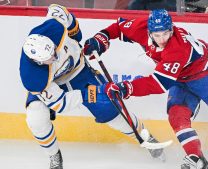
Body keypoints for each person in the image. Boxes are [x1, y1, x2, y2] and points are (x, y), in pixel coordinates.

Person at [83, 9, 208, 169]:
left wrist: (126, 87)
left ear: (171, 30)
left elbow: (158, 83)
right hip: (180, 78)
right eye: (157, 34)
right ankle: (197, 158)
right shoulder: (141, 27)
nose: (162, 38)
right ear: (149, 32)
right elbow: (117, 28)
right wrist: (100, 40)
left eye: (166, 33)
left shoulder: (177, 48)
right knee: (176, 115)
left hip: (204, 75)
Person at [19, 4, 165, 169]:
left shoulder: (53, 27)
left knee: (112, 110)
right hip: (53, 86)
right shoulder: (33, 78)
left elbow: (58, 9)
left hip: (81, 73)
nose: (55, 56)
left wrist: (76, 34)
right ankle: (54, 156)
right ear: (38, 62)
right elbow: (61, 104)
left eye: (54, 50)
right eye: (49, 58)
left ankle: (146, 138)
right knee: (36, 117)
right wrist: (90, 93)